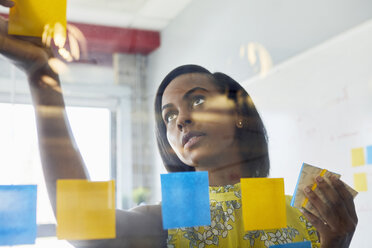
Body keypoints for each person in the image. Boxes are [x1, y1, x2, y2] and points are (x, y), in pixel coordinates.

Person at [0, 1, 357, 247]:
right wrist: (42, 76)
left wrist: (337, 243)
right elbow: (82, 225)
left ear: (237, 113)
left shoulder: (309, 214)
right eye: (169, 116)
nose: (181, 118)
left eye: (197, 100)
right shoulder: (172, 221)